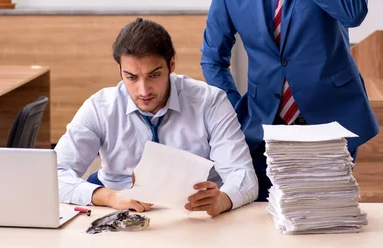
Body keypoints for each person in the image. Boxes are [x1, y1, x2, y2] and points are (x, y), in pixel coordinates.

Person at [200, 0, 379, 201]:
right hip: (264, 122)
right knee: (261, 212)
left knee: (323, 213)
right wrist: (235, 111)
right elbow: (213, 58)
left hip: (330, 118)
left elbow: (354, 13)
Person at [55, 18, 258, 216]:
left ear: (171, 64)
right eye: (131, 77)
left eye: (154, 75)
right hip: (119, 215)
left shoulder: (210, 102)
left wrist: (223, 199)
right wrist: (110, 197)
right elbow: (52, 176)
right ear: (120, 71)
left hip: (194, 219)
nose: (143, 90)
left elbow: (243, 175)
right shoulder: (99, 108)